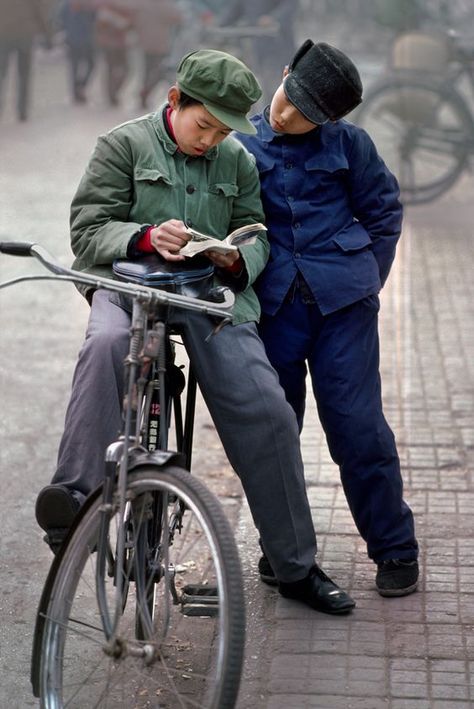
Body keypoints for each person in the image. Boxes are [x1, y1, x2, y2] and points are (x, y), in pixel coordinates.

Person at [34, 48, 356, 615]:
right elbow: (88, 232)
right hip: (127, 286)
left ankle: (295, 566)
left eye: (222, 131)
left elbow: (255, 234)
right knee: (107, 342)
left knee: (267, 408)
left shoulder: (235, 160)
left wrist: (237, 259)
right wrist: (143, 237)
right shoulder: (122, 144)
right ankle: (74, 500)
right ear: (174, 100)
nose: (210, 141)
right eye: (203, 125)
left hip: (209, 296)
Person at [235, 40, 420, 598]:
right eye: (289, 99)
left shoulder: (351, 146)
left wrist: (366, 277)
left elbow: (384, 212)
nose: (287, 115)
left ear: (331, 119)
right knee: (274, 432)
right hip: (273, 311)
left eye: (307, 115)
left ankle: (394, 548)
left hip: (344, 311)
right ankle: (283, 552)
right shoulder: (238, 145)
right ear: (285, 72)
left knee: (358, 428)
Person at [0, 0, 54, 121]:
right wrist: (48, 35)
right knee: (24, 75)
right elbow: (40, 13)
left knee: (1, 74)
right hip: (24, 36)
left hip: (3, 34)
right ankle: (22, 110)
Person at [134, 0, 182, 110]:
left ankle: (143, 94)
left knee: (146, 71)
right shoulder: (164, 5)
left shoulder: (143, 4)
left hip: (145, 42)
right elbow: (178, 17)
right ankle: (145, 92)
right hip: (159, 44)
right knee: (157, 71)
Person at [59, 0, 97, 104]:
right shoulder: (68, 4)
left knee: (82, 65)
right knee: (79, 66)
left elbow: (60, 20)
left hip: (80, 39)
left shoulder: (68, 5)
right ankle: (78, 90)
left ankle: (79, 88)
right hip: (79, 39)